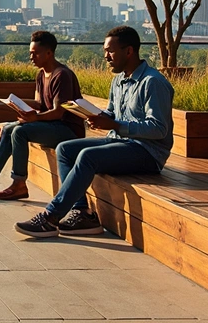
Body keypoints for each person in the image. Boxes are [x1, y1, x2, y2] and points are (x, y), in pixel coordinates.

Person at [15, 25, 174, 238]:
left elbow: (159, 129)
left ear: (129, 51)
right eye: (105, 51)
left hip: (147, 152)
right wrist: (96, 116)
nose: (106, 56)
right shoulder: (119, 80)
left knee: (88, 156)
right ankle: (81, 212)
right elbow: (111, 113)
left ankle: (51, 217)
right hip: (119, 142)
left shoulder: (153, 82)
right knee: (64, 149)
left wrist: (116, 126)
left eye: (110, 51)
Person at [0, 31, 83, 200]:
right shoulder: (42, 74)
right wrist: (17, 104)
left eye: (35, 53)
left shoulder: (62, 75)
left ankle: (19, 184)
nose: (31, 57)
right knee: (8, 128)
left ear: (49, 53)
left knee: (20, 132)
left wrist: (35, 118)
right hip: (51, 125)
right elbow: (39, 104)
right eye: (30, 53)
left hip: (67, 130)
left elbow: (58, 112)